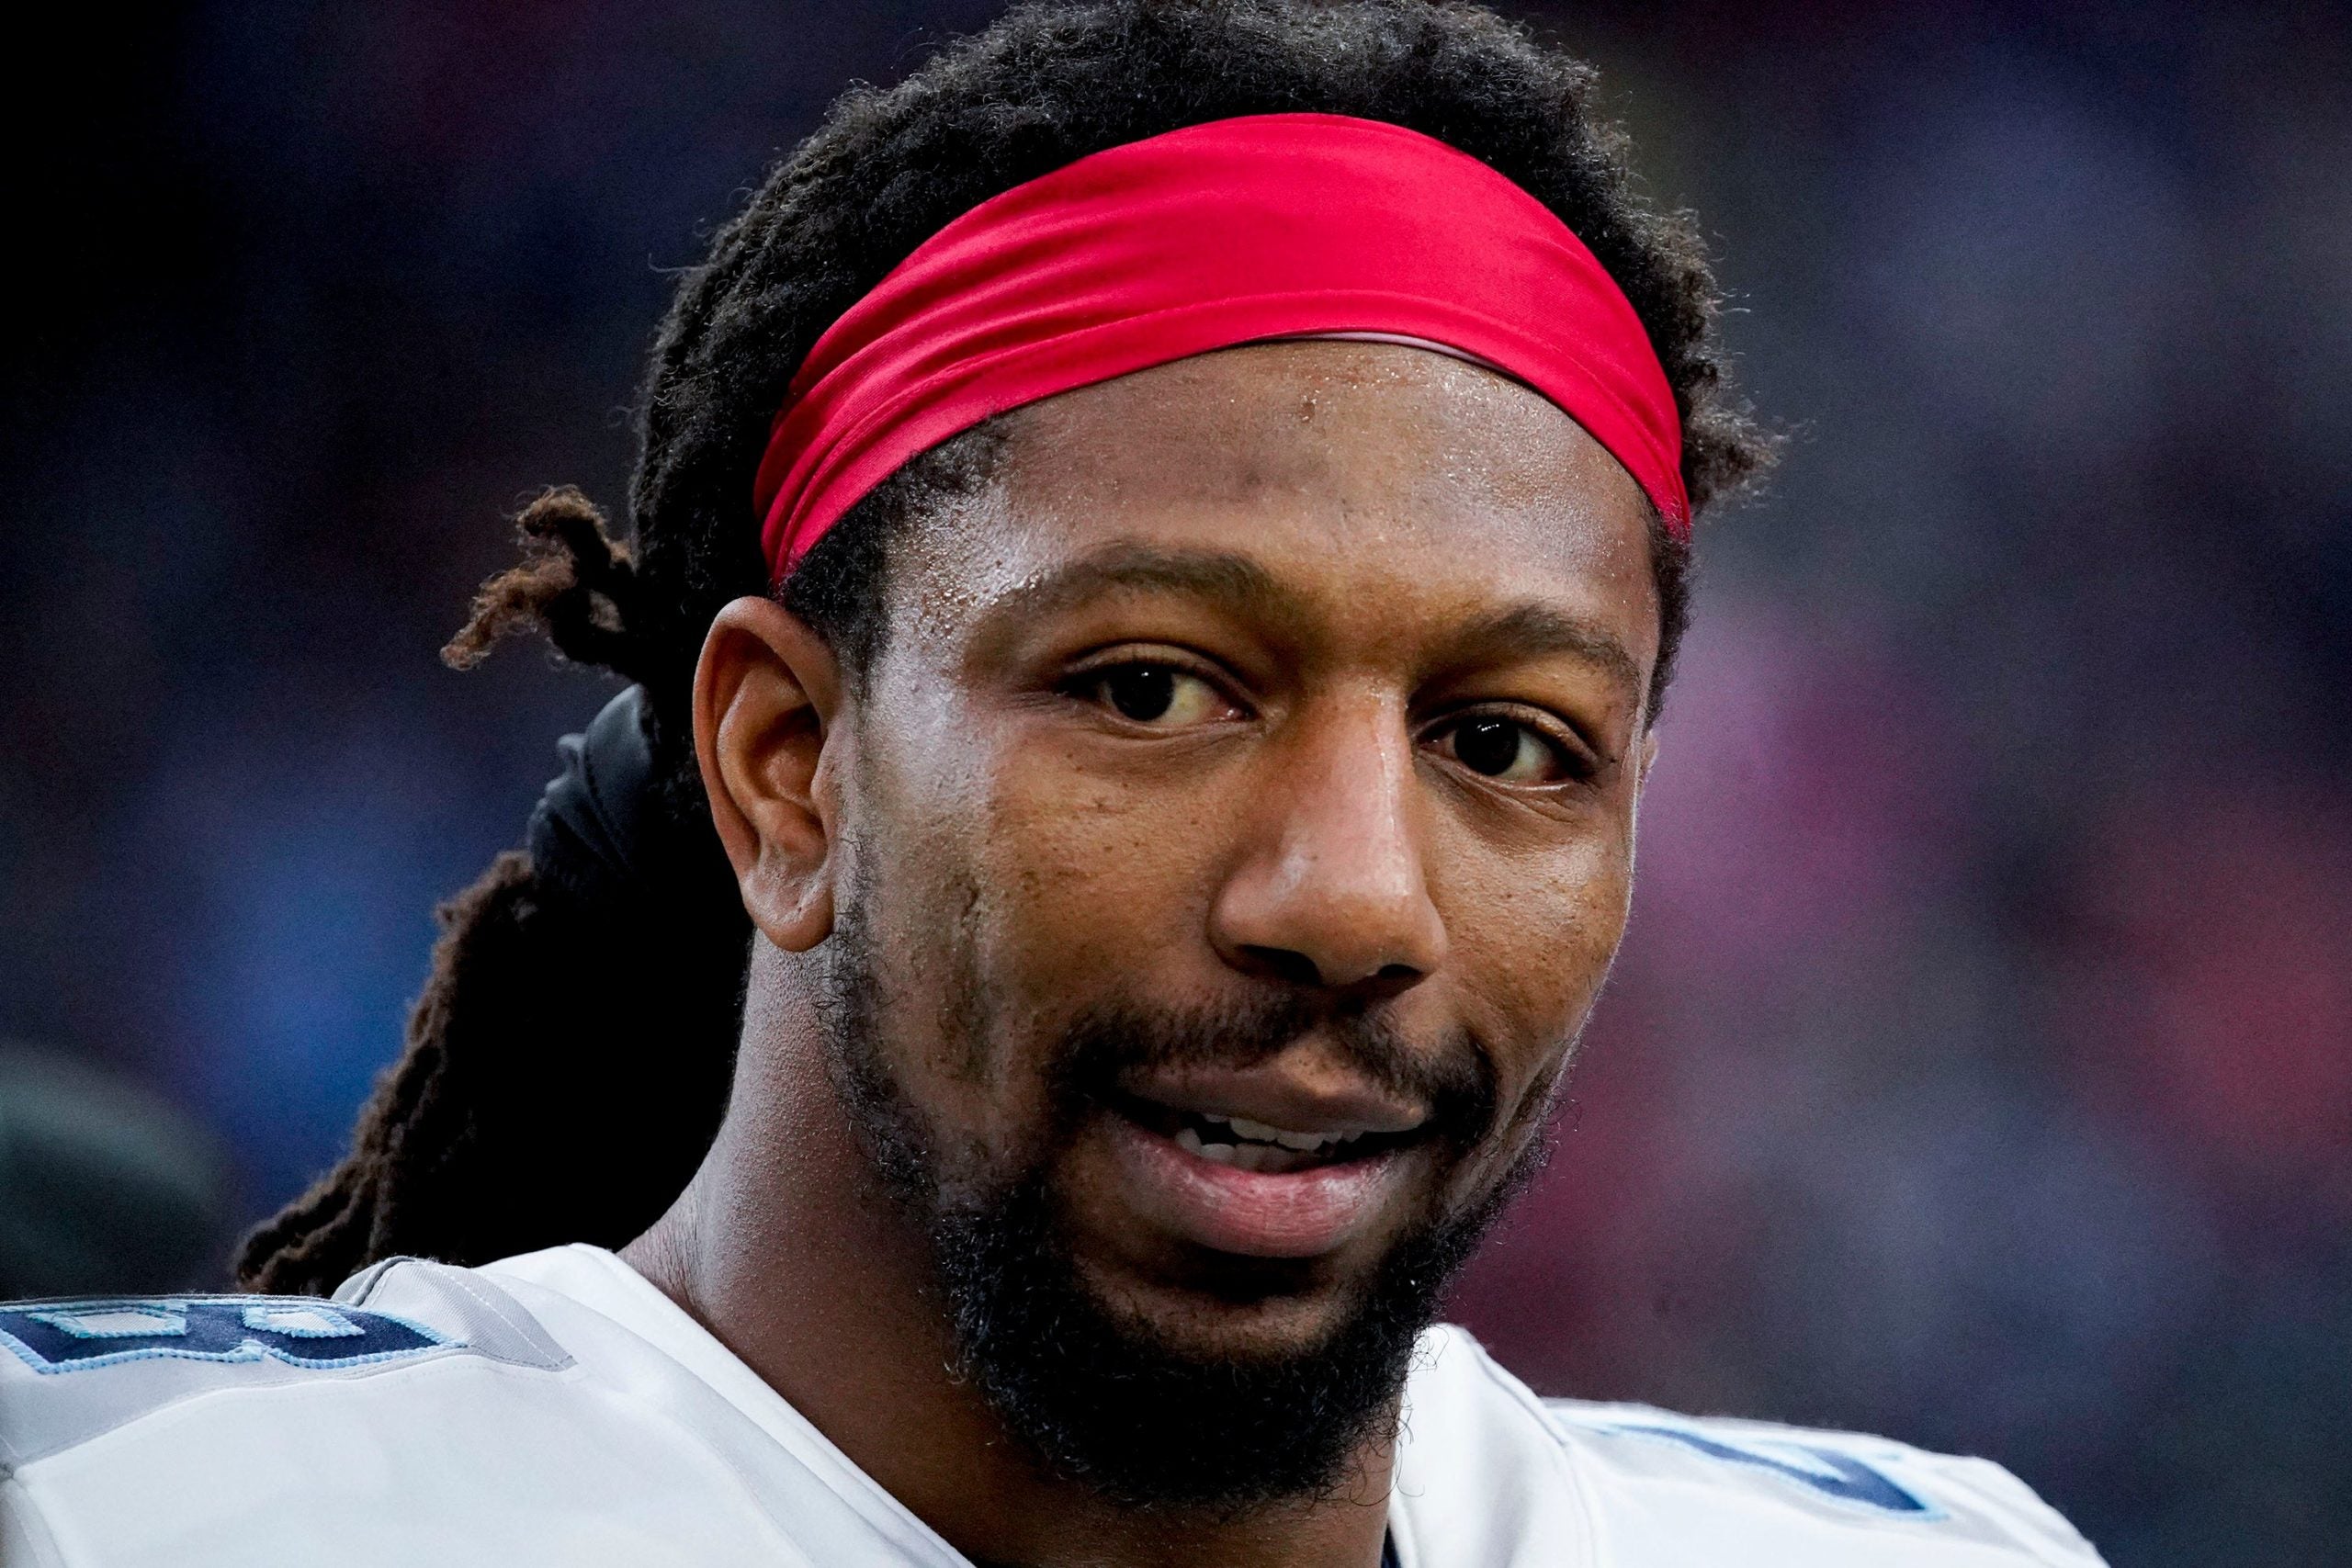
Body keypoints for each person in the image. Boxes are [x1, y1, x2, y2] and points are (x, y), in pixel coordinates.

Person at [0, 3, 2108, 1563]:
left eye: (1503, 743)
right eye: (1154, 687)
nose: (1355, 897)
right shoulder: (127, 1513)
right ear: (784, 764)